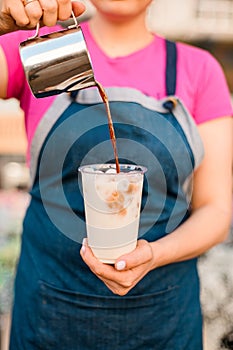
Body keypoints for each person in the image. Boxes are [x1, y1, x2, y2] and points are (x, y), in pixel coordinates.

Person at [0, 0, 233, 349]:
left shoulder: (198, 69)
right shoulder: (40, 48)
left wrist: (153, 254)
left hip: (163, 320)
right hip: (48, 314)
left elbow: (216, 209)